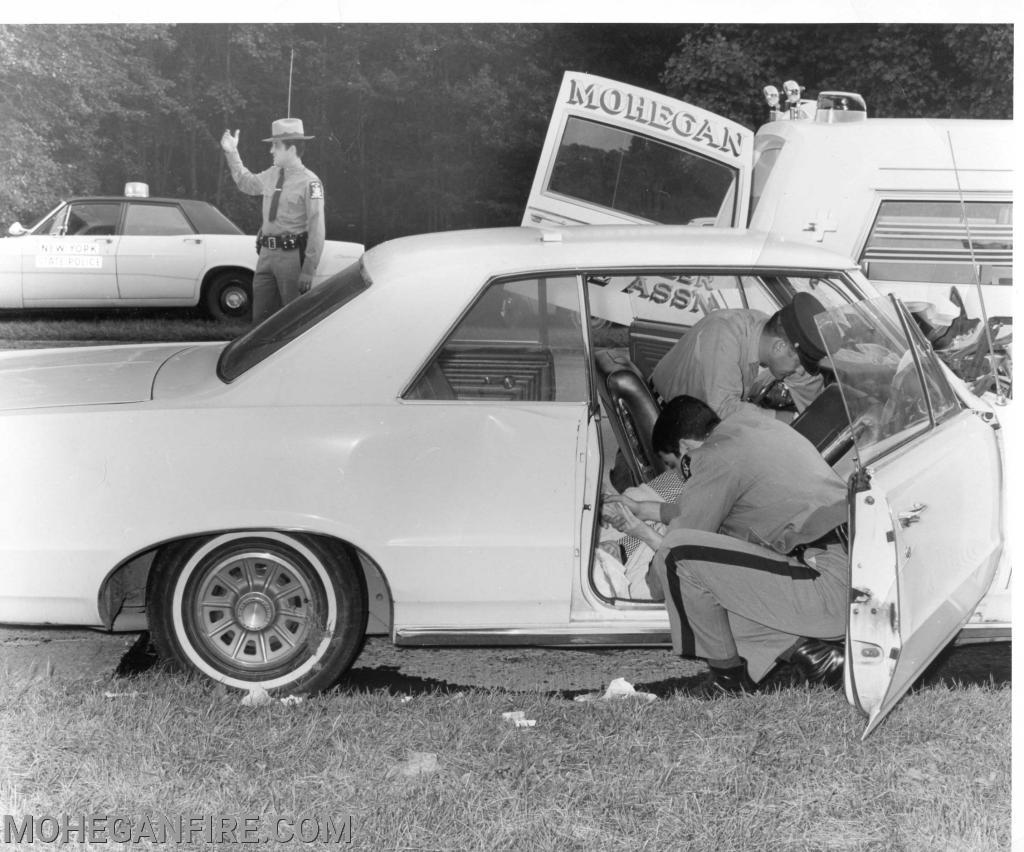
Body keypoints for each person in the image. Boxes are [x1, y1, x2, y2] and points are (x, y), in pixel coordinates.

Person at [607, 395, 848, 696]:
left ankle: (727, 679)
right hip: (841, 570)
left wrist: (651, 578)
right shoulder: (755, 429)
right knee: (719, 574)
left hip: (826, 589)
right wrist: (641, 509)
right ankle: (817, 658)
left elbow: (677, 551)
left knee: (684, 564)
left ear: (684, 448)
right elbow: (702, 505)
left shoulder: (714, 456)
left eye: (674, 465)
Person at [649, 292, 831, 421]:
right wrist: (785, 420)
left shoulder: (777, 339)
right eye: (799, 363)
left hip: (699, 424)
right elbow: (724, 408)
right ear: (779, 346)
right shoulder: (723, 333)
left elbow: (807, 383)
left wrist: (818, 422)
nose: (799, 371)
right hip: (656, 420)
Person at [220, 118, 326, 322]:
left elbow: (317, 227)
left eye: (275, 146)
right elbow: (246, 183)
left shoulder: (310, 182)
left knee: (293, 320)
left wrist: (308, 269)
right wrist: (232, 152)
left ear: (292, 149)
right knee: (261, 320)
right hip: (266, 256)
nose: (271, 151)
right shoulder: (272, 174)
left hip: (291, 258)